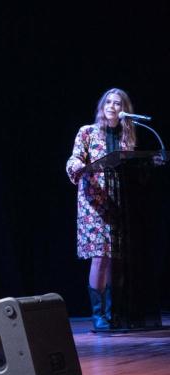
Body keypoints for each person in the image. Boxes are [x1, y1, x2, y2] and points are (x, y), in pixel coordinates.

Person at [66, 88, 137, 331]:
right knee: (100, 256)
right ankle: (98, 315)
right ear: (102, 106)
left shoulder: (127, 137)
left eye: (117, 103)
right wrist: (77, 165)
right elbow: (74, 159)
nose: (112, 106)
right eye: (108, 102)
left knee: (115, 257)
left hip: (118, 201)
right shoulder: (87, 131)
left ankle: (113, 313)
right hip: (94, 201)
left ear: (124, 109)